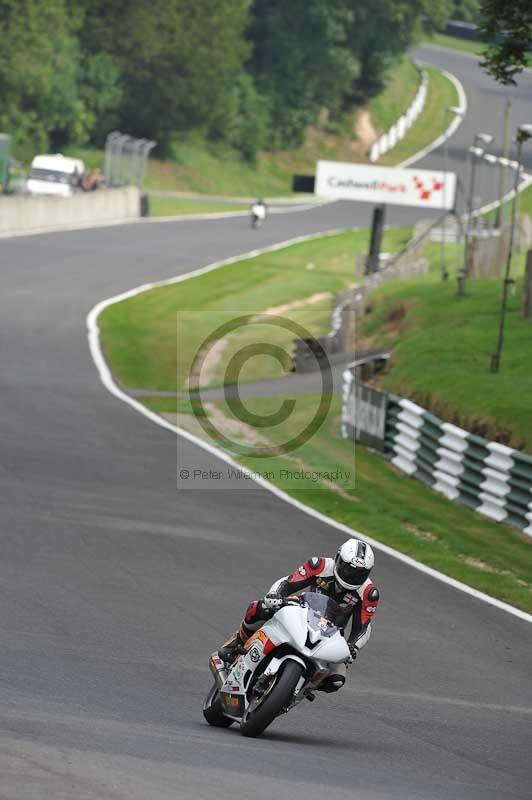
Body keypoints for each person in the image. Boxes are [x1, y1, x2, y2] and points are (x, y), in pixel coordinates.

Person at [218, 538, 379, 693]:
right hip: (302, 609)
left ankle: (299, 688)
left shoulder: (368, 593)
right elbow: (288, 583)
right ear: (338, 559)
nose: (351, 576)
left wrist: (353, 646)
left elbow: (363, 627)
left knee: (336, 680)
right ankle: (236, 643)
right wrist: (275, 595)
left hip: (333, 631)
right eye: (348, 569)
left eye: (359, 574)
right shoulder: (319, 565)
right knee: (260, 608)